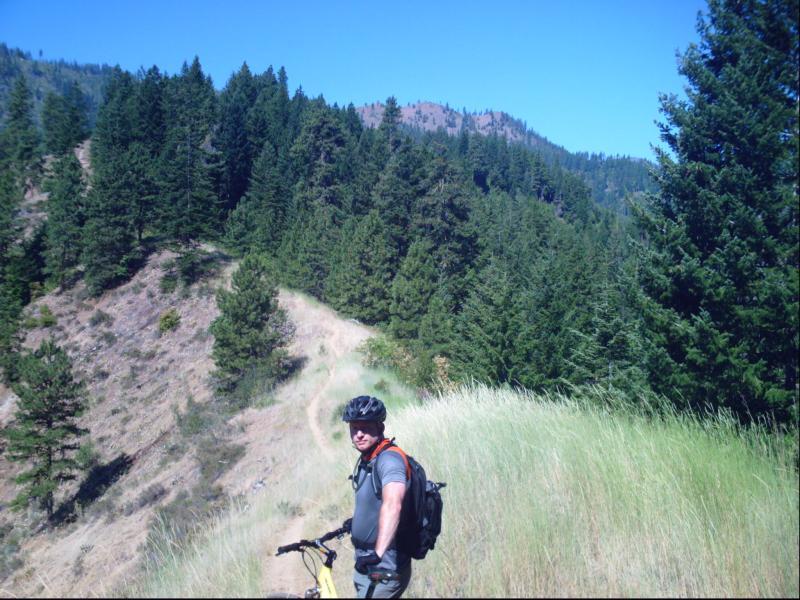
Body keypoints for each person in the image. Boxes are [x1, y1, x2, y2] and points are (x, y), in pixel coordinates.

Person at [343, 395, 412, 599]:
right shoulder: (368, 459)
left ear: (380, 428)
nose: (359, 434)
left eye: (366, 427)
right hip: (366, 564)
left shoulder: (389, 460)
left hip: (384, 568)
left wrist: (378, 553)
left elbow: (393, 505)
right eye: (354, 428)